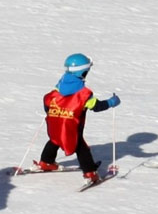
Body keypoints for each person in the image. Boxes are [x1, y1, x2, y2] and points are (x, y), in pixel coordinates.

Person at [36, 53, 120, 182]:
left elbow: (48, 100)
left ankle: (46, 162)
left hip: (54, 122)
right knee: (80, 146)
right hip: (72, 126)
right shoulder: (83, 93)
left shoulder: (59, 86)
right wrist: (111, 102)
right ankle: (90, 172)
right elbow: (96, 106)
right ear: (83, 72)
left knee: (55, 139)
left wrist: (51, 112)